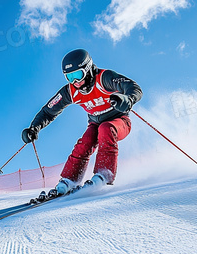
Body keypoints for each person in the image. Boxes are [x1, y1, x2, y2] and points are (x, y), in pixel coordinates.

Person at [21, 49, 143, 195]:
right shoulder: (70, 91)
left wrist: (128, 99)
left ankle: (104, 175)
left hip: (119, 121)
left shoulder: (104, 78)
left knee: (106, 128)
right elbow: (49, 110)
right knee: (86, 141)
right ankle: (69, 180)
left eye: (78, 75)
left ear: (88, 69)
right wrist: (34, 128)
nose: (75, 82)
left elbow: (133, 87)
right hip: (95, 125)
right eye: (69, 77)